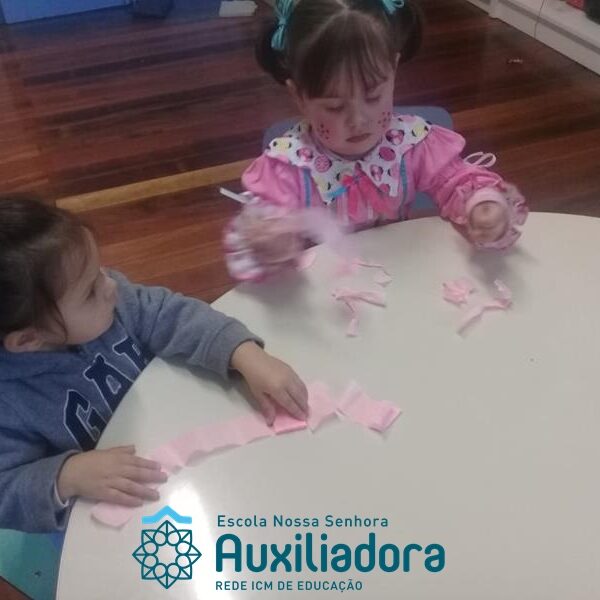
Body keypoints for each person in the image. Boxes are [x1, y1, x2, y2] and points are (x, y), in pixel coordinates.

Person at [0, 197, 308, 532]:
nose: (111, 285)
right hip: (107, 512)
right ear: (28, 339)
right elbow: (6, 492)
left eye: (100, 269)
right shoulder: (10, 404)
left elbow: (168, 313)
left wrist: (244, 353)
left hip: (176, 455)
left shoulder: (110, 300)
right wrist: (66, 477)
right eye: (90, 291)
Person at [224, 0, 528, 280]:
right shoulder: (288, 168)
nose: (359, 120)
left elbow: (455, 181)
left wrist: (481, 204)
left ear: (393, 70)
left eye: (373, 97)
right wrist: (269, 241)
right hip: (326, 292)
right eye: (335, 107)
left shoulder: (412, 145)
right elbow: (261, 241)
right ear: (298, 96)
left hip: (399, 277)